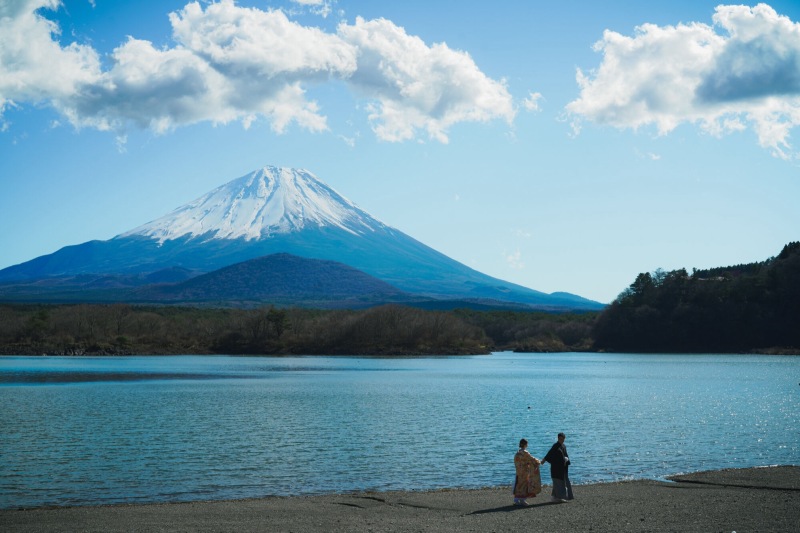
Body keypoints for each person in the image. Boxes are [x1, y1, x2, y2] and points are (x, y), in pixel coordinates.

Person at [542, 432, 573, 503]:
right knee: (559, 482)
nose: (562, 440)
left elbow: (566, 455)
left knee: (562, 482)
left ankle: (554, 497)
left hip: (563, 468)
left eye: (563, 439)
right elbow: (549, 454)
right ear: (558, 438)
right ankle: (559, 497)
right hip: (556, 469)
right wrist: (543, 460)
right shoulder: (555, 446)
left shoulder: (564, 446)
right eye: (560, 439)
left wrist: (566, 460)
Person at [513, 438, 542, 506]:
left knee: (519, 484)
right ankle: (522, 500)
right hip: (524, 471)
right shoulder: (525, 453)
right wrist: (538, 462)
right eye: (527, 444)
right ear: (525, 444)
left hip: (518, 471)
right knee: (524, 484)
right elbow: (531, 459)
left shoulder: (517, 453)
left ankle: (517, 499)